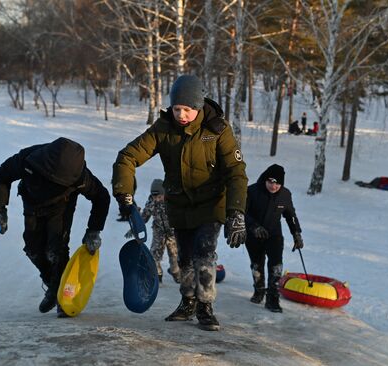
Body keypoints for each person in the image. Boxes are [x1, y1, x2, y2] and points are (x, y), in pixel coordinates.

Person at [112, 74, 248, 331]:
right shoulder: (163, 130)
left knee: (204, 253)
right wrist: (124, 193)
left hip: (210, 204)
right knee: (184, 258)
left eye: (188, 109)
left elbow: (236, 172)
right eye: (177, 109)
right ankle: (188, 302)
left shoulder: (217, 130)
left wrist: (236, 212)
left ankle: (205, 306)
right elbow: (127, 157)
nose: (182, 115)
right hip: (179, 204)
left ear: (198, 107)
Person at [0, 137, 110, 317]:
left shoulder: (80, 176)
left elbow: (101, 197)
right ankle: (53, 284)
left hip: (61, 207)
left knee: (56, 249)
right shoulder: (28, 159)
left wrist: (94, 230)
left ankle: (63, 297)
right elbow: (2, 175)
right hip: (32, 204)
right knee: (32, 249)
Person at [244, 164, 304, 313]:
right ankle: (259, 290)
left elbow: (291, 216)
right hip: (254, 235)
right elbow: (242, 213)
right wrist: (253, 227)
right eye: (271, 181)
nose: (274, 186)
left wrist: (296, 233)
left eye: (277, 183)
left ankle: (272, 298)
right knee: (257, 264)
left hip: (274, 235)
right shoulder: (252, 191)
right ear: (265, 179)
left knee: (276, 265)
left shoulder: (285, 194)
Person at [127, 179, 180, 284]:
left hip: (172, 233)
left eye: (159, 197)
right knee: (154, 254)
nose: (157, 199)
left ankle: (176, 272)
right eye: (155, 197)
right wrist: (135, 227)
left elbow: (180, 215)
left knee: (174, 255)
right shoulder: (151, 203)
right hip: (158, 232)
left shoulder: (172, 202)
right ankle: (157, 275)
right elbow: (144, 217)